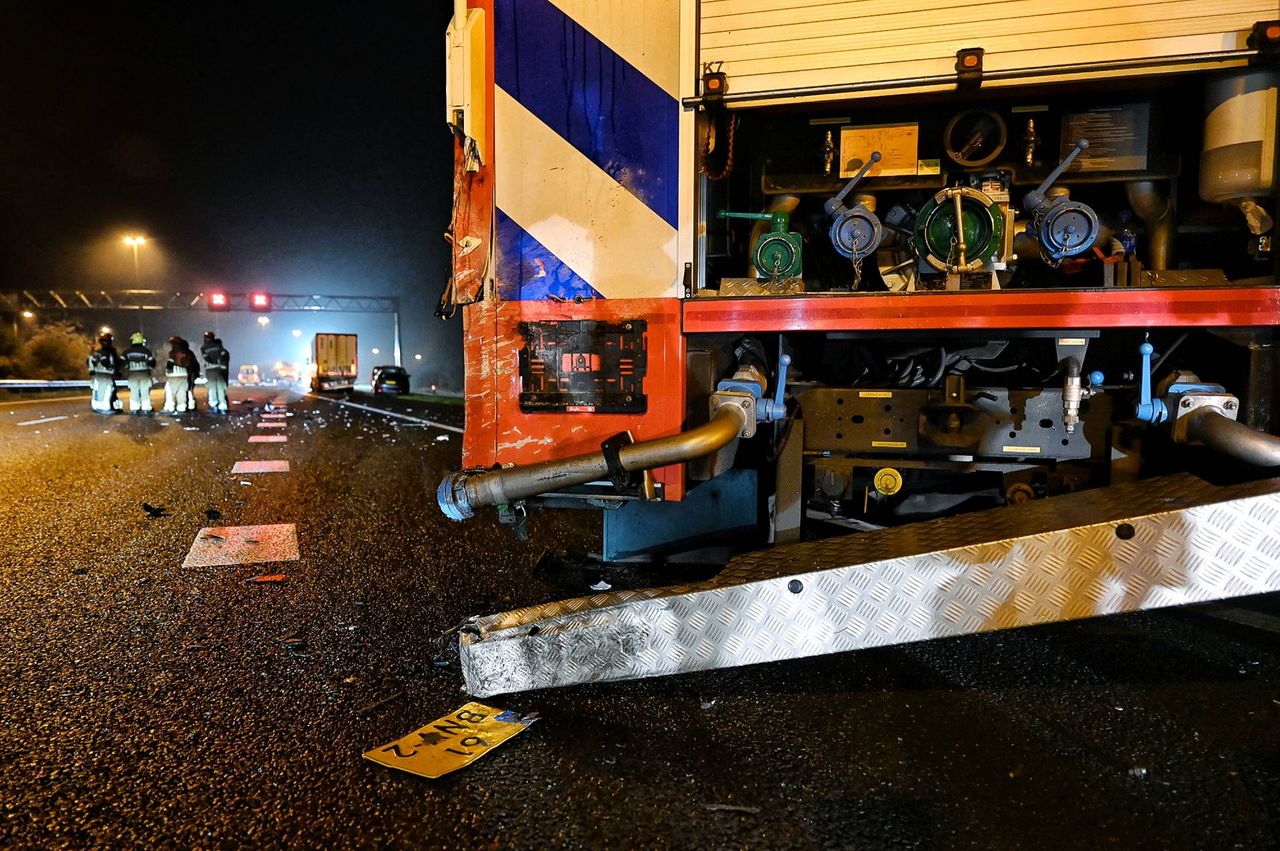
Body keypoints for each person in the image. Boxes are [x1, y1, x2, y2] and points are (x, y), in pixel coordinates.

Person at [87, 332, 122, 414]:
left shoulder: (96, 353)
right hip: (107, 375)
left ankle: (96, 406)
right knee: (110, 389)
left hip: (97, 375)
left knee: (96, 390)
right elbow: (116, 363)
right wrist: (117, 372)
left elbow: (89, 361)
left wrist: (91, 371)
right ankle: (107, 406)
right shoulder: (112, 352)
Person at [163, 336, 199, 415]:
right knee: (185, 391)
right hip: (187, 374)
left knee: (170, 390)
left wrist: (167, 372)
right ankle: (186, 406)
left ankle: (169, 407)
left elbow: (170, 365)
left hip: (174, 375)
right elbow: (195, 364)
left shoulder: (173, 353)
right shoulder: (189, 353)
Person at [123, 332, 157, 416]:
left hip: (132, 375)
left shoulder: (127, 352)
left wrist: (127, 367)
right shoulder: (146, 351)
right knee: (145, 391)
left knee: (134, 392)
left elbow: (122, 362)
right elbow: (152, 363)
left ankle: (135, 409)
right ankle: (146, 408)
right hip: (144, 374)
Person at [200, 331, 231, 414]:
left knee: (212, 389)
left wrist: (211, 362)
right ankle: (223, 406)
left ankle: (214, 406)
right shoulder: (219, 346)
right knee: (221, 388)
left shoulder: (203, 348)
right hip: (219, 369)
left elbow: (205, 358)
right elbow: (224, 355)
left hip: (210, 370)